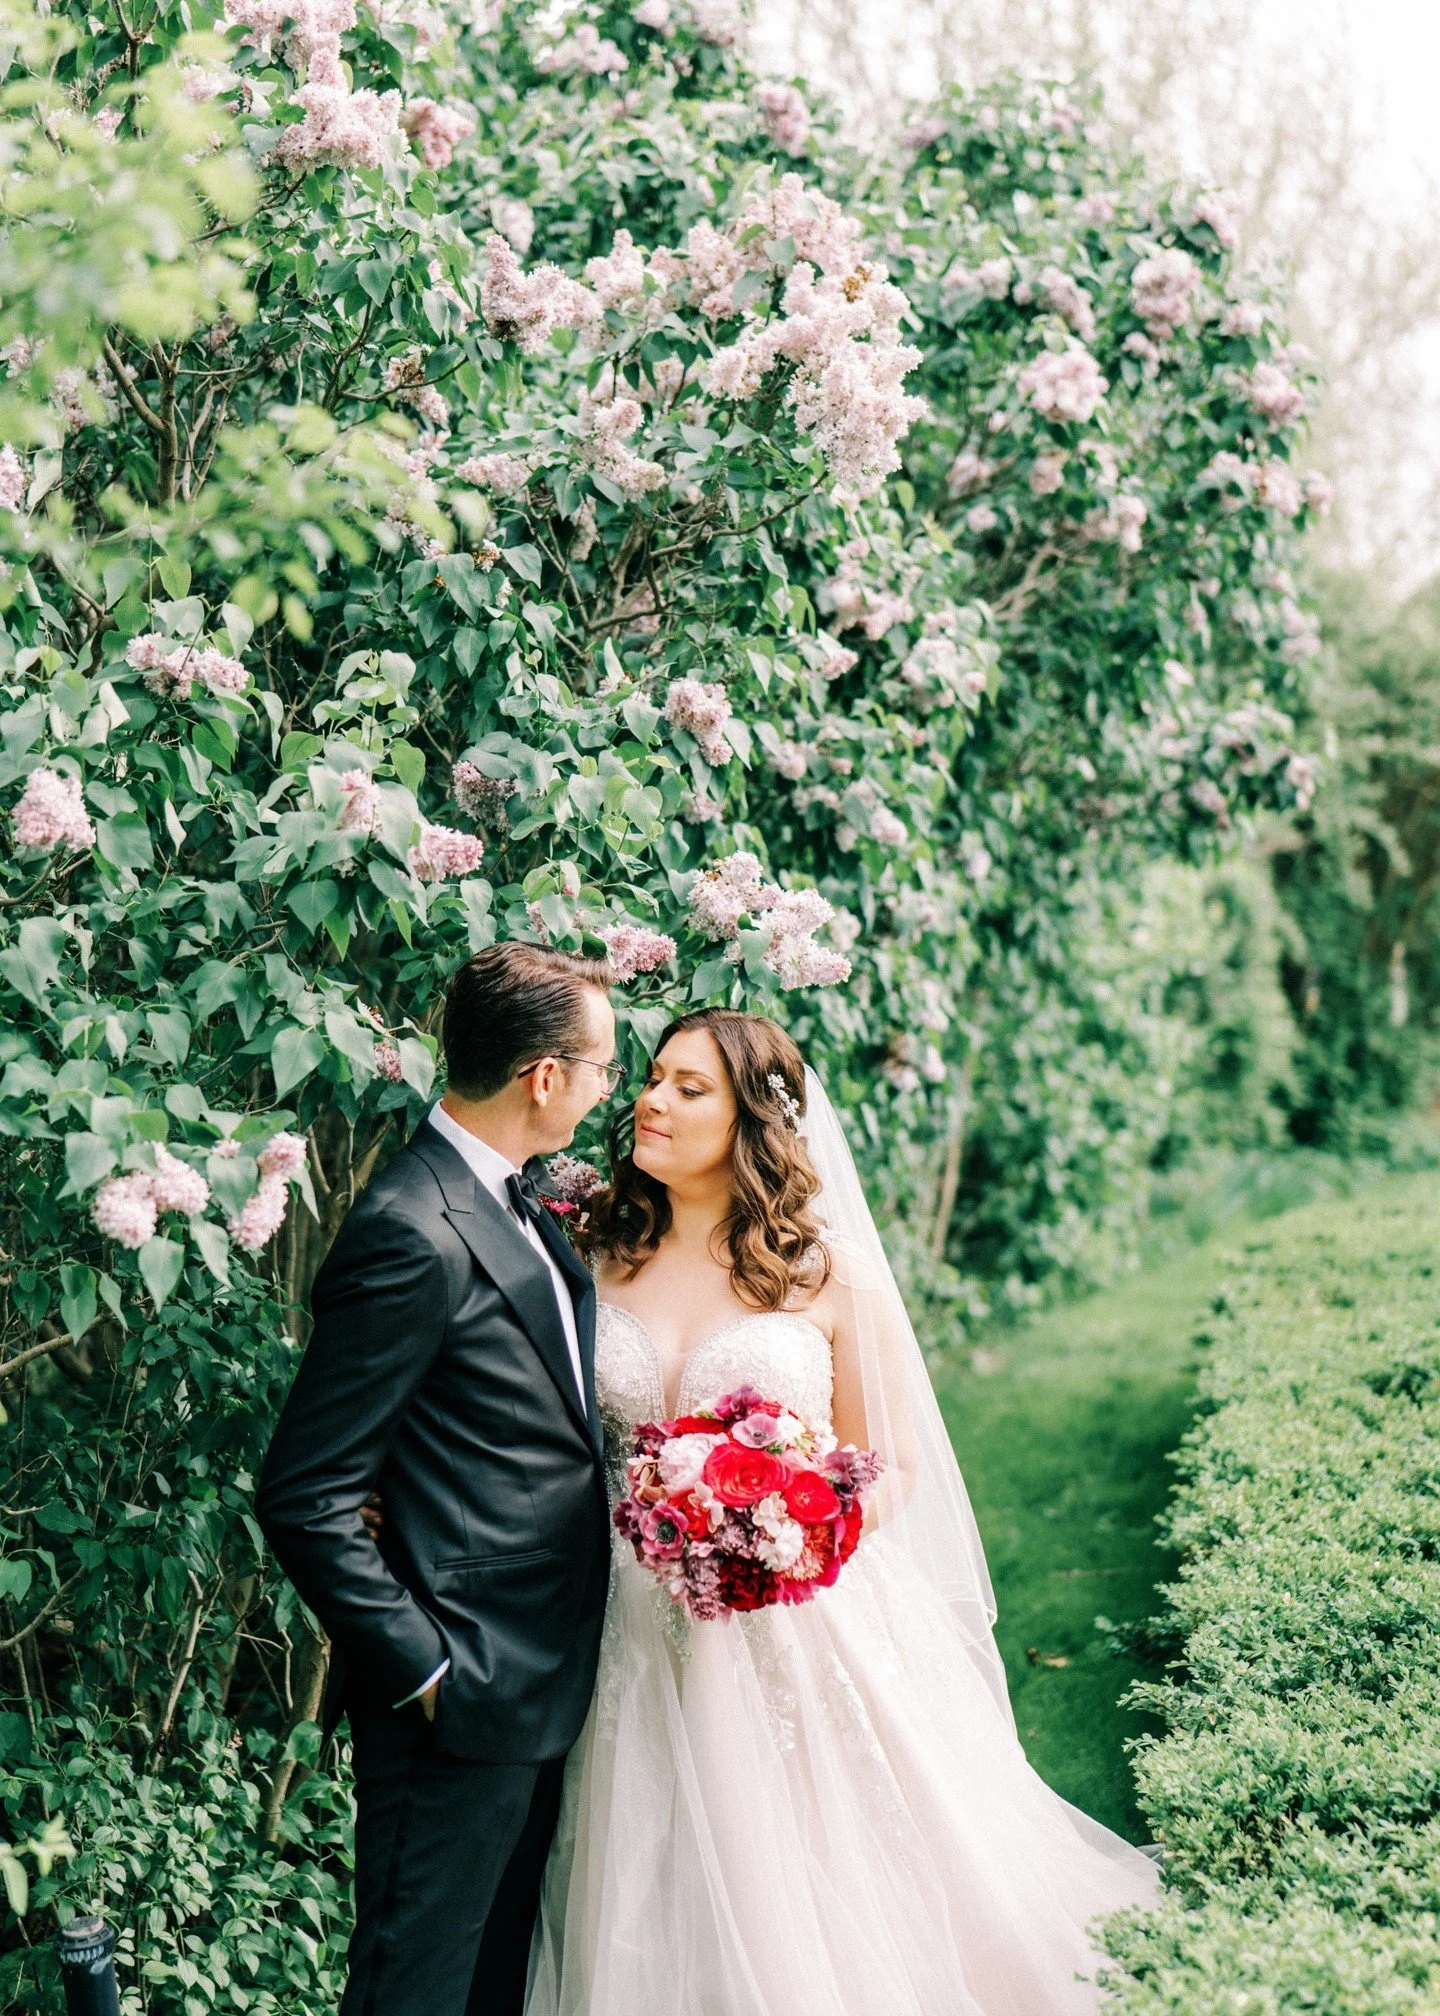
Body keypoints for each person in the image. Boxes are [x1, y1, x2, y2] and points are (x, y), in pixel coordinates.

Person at [526, 1007, 1161, 2016]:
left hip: (792, 1619)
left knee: (814, 1861)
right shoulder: (592, 1262)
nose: (651, 1101)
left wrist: (784, 1531)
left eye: (690, 1089)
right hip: (627, 1620)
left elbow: (893, 1462)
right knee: (642, 1854)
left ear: (752, 1127)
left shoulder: (824, 1272)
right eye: (651, 1078)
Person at [255, 942, 619, 2016]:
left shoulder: (517, 1199)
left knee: (495, 1987)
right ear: (543, 1076)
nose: (608, 1090)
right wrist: (426, 1670)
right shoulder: (409, 1231)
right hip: (458, 1699)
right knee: (415, 1992)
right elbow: (305, 1493)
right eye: (602, 1068)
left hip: (541, 1682)